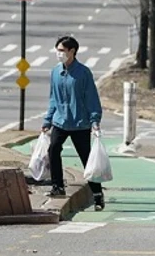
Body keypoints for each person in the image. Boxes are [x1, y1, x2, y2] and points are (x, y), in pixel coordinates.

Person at [42, 35, 105, 211]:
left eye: (62, 50)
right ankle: (57, 186)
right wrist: (48, 120)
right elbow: (53, 98)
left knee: (87, 159)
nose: (59, 54)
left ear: (72, 51)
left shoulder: (83, 73)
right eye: (57, 50)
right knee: (53, 148)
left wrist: (95, 119)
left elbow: (91, 97)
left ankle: (97, 194)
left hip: (80, 123)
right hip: (60, 121)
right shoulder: (55, 72)